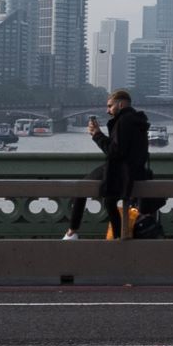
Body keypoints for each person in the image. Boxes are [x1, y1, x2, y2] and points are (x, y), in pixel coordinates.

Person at [65, 89, 150, 240]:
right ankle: (118, 236)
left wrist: (97, 134)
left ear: (121, 104)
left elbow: (114, 151)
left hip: (119, 170)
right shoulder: (137, 121)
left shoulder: (123, 121)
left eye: (110, 106)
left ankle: (72, 231)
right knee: (110, 201)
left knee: (82, 188)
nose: (108, 110)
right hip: (134, 171)